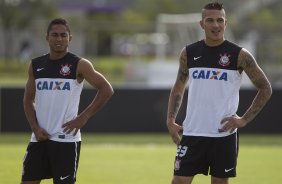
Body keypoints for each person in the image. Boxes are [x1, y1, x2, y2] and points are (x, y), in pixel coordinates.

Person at [166, 2, 272, 184]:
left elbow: (265, 88)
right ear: (202, 24)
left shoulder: (240, 55)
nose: (215, 25)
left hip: (223, 135)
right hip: (192, 132)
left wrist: (244, 120)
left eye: (219, 20)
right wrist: (170, 119)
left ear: (225, 23)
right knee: (179, 181)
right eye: (210, 20)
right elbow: (178, 86)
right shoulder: (189, 53)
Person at [21, 18, 114, 184]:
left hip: (66, 140)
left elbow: (106, 89)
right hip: (39, 138)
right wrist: (35, 128)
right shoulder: (36, 65)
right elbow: (28, 100)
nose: (59, 39)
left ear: (70, 38)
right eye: (54, 35)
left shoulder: (79, 64)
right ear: (47, 37)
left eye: (63, 35)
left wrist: (83, 117)